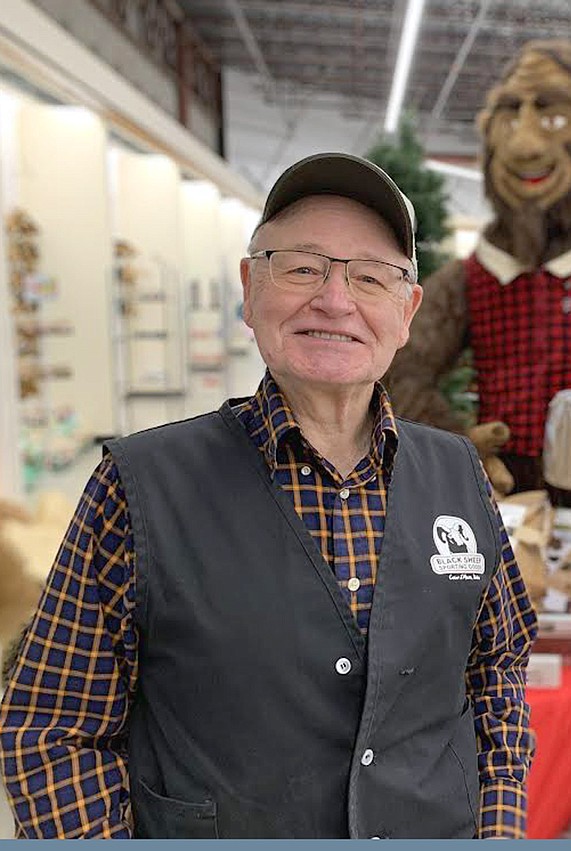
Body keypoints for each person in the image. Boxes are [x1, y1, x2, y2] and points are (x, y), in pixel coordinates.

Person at [0, 153, 538, 839]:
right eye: (303, 267)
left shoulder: (458, 473)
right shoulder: (140, 488)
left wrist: (498, 830)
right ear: (250, 289)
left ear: (406, 312)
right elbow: (51, 729)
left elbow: (499, 674)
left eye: (371, 276)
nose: (336, 300)